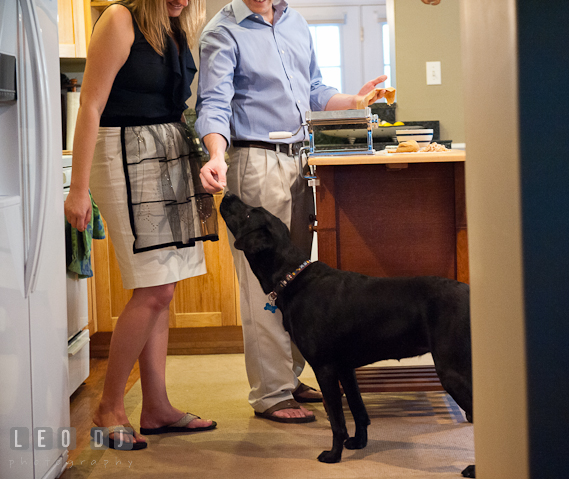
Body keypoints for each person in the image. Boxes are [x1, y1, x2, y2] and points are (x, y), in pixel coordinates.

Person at [195, 0, 388, 423]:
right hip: (255, 161)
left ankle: (291, 376)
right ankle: (271, 392)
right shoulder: (222, 31)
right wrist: (215, 155)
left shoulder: (295, 22)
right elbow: (213, 103)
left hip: (301, 160)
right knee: (262, 282)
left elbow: (314, 89)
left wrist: (354, 100)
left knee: (297, 279)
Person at [64, 0, 218, 449]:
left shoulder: (174, 27)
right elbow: (90, 106)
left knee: (165, 284)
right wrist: (77, 189)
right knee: (154, 288)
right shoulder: (118, 19)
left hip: (167, 154)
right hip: (124, 157)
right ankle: (108, 406)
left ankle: (157, 407)